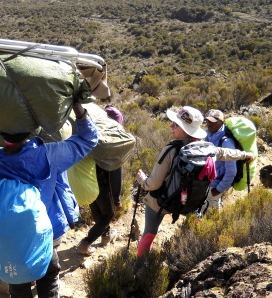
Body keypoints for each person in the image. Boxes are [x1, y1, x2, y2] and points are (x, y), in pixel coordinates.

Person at [0, 102, 98, 298]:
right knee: (49, 277)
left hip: (5, 239)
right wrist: (78, 108)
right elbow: (89, 138)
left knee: (18, 285)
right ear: (31, 131)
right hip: (45, 232)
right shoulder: (48, 154)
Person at [135, 106, 254, 257]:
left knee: (149, 233)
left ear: (185, 130)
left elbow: (153, 184)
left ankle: (139, 268)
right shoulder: (205, 148)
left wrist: (141, 180)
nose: (171, 126)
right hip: (186, 202)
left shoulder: (170, 149)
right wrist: (245, 155)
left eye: (176, 125)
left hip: (160, 202)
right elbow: (225, 153)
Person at [77, 104, 123, 256]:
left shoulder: (90, 136)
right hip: (101, 186)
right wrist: (116, 199)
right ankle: (87, 242)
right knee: (107, 214)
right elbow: (114, 176)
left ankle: (106, 234)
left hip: (87, 182)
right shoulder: (113, 146)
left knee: (97, 212)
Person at [202, 109, 236, 212]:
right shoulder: (209, 135)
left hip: (215, 186)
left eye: (212, 122)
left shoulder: (226, 143)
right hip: (207, 184)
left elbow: (231, 171)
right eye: (208, 121)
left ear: (221, 123)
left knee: (211, 217)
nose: (209, 124)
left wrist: (218, 189)